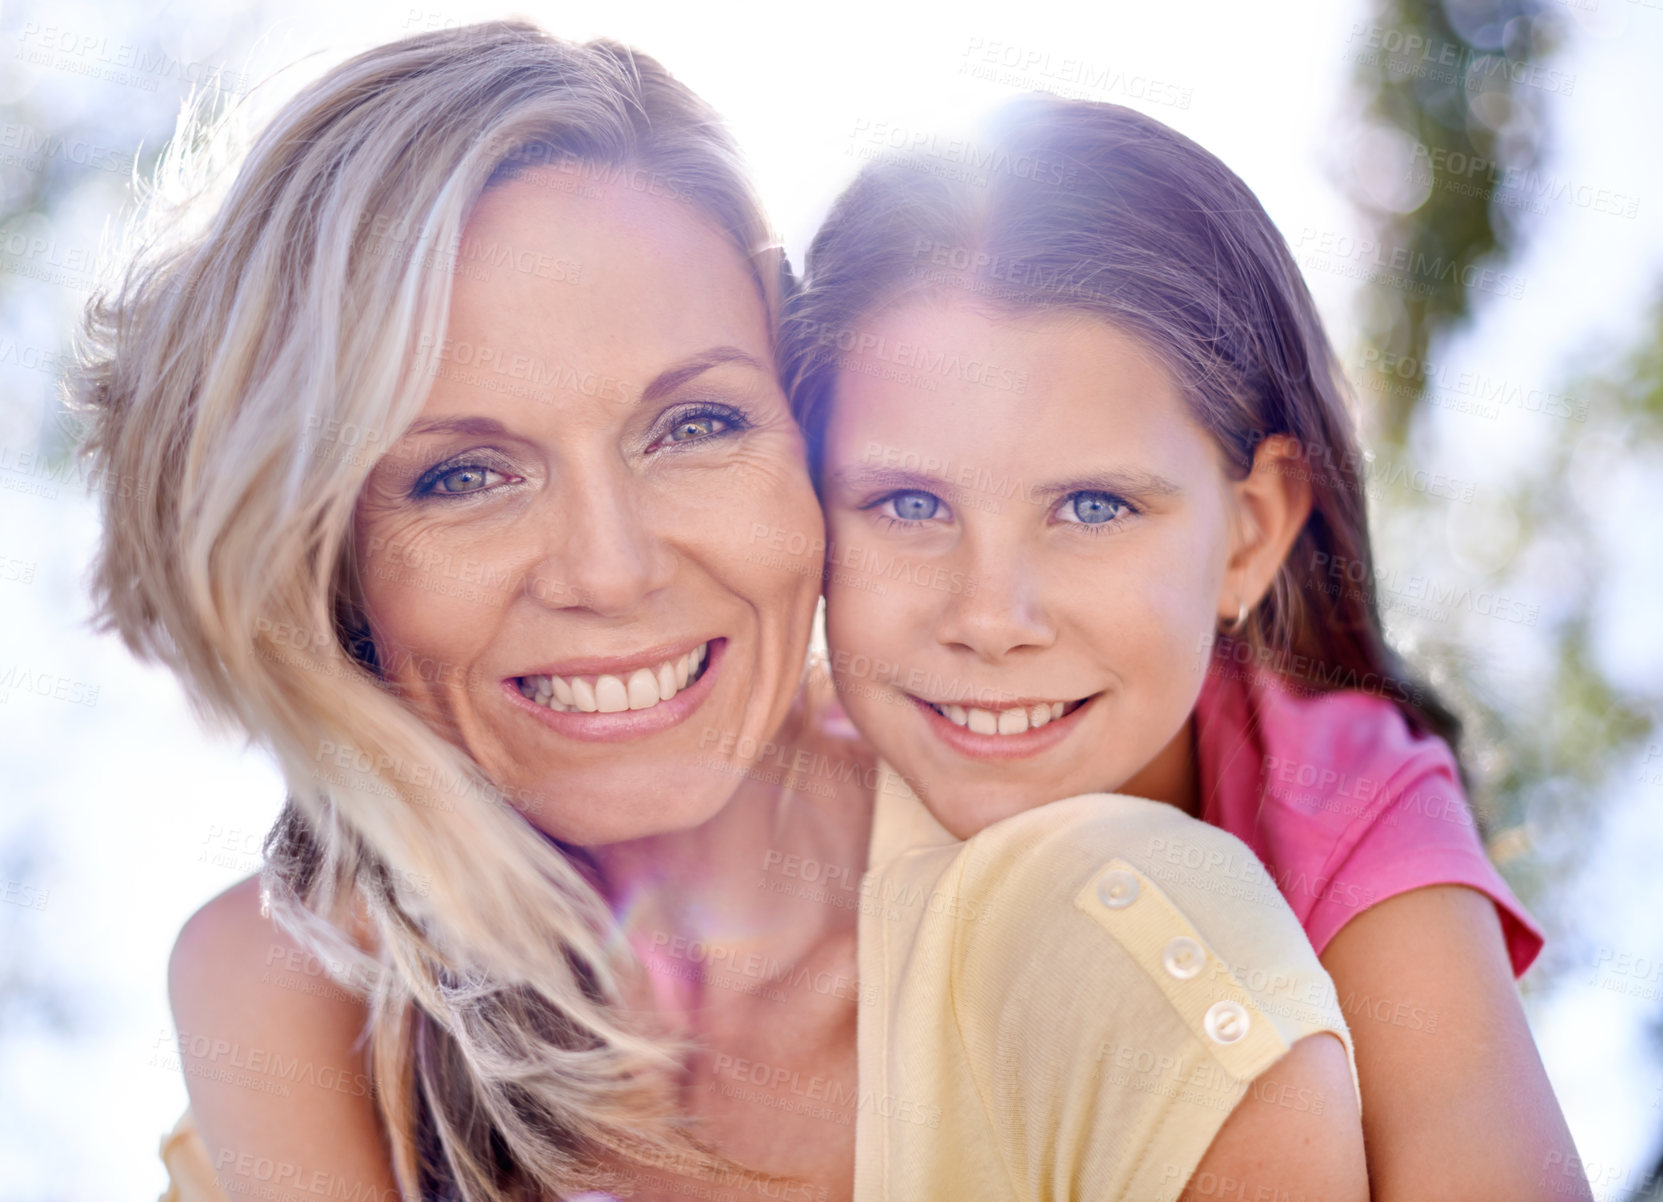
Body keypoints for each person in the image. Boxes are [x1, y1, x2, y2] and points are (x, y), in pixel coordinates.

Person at [78, 23, 1360, 1202]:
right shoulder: (308, 1015)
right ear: (331, 563)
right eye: (463, 474)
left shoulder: (1126, 953)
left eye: (693, 423)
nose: (612, 566)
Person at [782, 92, 1592, 1202]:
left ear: (1247, 537)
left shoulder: (1346, 795)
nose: (988, 615)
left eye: (1094, 506)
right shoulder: (765, 801)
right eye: (909, 503)